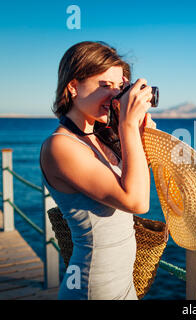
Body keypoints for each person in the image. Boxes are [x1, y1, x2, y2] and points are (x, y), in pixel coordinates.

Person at [39, 41, 156, 299]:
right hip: (92, 288)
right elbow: (136, 201)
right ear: (73, 87)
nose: (114, 96)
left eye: (119, 88)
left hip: (123, 283)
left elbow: (136, 178)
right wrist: (126, 126)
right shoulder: (60, 146)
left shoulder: (99, 137)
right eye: (105, 86)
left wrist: (135, 129)